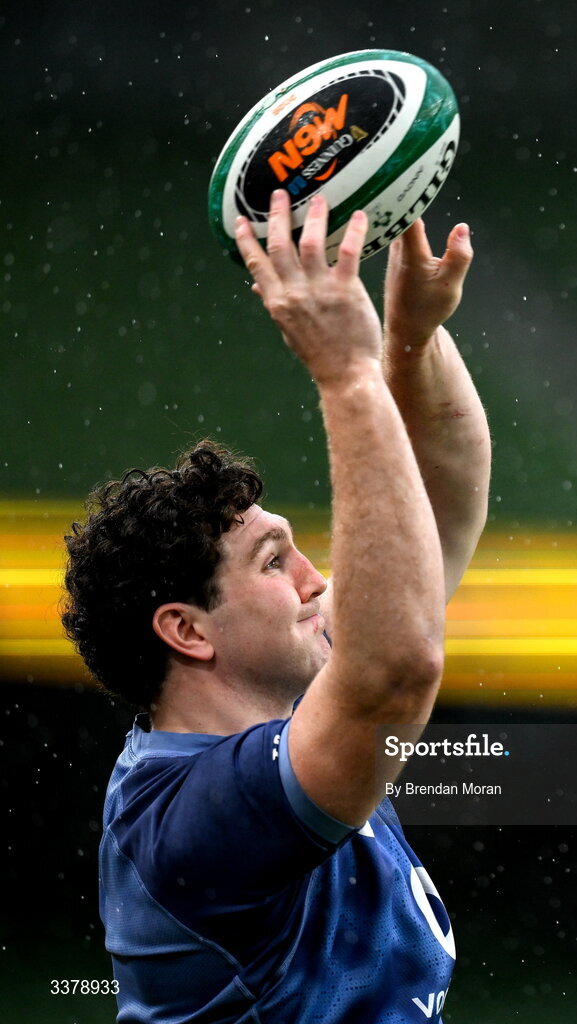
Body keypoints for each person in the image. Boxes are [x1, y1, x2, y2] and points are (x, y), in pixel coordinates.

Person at [62, 190, 491, 1023]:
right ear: (186, 631)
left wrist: (409, 341)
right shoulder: (192, 820)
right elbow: (397, 672)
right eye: (273, 561)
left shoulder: (292, 714)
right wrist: (346, 372)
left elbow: (446, 498)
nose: (314, 578)